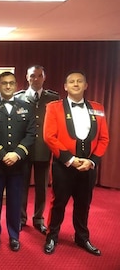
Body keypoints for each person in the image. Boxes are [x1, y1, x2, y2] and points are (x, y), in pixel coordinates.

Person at [43, 71, 109, 256]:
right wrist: (70, 160)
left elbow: (104, 139)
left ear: (86, 85)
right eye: (72, 81)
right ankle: (52, 236)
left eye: (80, 81)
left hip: (88, 166)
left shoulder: (98, 108)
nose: (76, 84)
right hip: (63, 165)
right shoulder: (53, 107)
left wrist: (92, 161)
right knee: (58, 203)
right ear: (65, 86)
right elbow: (49, 136)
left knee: (83, 204)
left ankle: (82, 237)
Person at [0, 71, 35, 252]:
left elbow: (31, 133)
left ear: (16, 85)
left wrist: (17, 153)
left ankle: (14, 235)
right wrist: (2, 154)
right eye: (4, 83)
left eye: (11, 83)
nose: (8, 86)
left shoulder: (27, 106)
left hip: (18, 164)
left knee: (15, 201)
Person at [14, 65, 59, 234]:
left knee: (42, 187)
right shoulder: (18, 97)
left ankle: (39, 218)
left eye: (39, 76)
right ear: (27, 77)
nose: (36, 79)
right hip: (24, 149)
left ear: (44, 78)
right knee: (21, 186)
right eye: (32, 76)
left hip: (43, 149)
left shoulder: (53, 98)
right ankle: (21, 218)